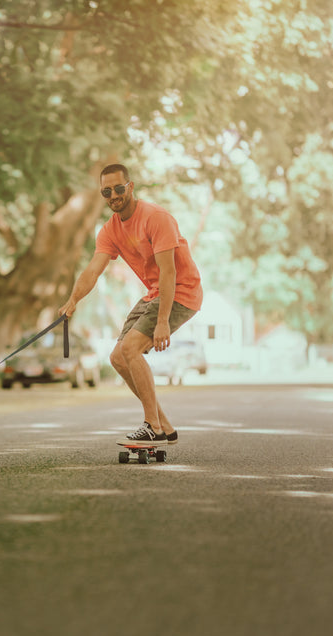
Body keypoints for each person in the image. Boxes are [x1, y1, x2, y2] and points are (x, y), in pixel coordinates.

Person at [58, 163, 202, 443]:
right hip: (154, 293)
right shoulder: (110, 230)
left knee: (131, 348)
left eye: (119, 188)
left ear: (130, 186)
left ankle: (152, 426)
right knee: (117, 357)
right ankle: (164, 426)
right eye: (107, 191)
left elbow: (169, 272)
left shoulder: (156, 218)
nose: (114, 195)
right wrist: (73, 301)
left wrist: (162, 322)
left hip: (181, 292)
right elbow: (92, 271)